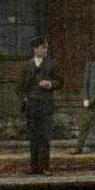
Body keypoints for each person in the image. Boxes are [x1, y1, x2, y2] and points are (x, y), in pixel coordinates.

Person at [16, 36, 62, 175]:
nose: (45, 50)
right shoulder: (26, 66)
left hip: (46, 105)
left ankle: (45, 167)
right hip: (31, 105)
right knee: (33, 136)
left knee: (45, 136)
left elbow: (60, 82)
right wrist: (24, 99)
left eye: (46, 47)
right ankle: (34, 167)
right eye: (43, 47)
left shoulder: (52, 64)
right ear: (35, 49)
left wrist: (49, 84)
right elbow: (19, 87)